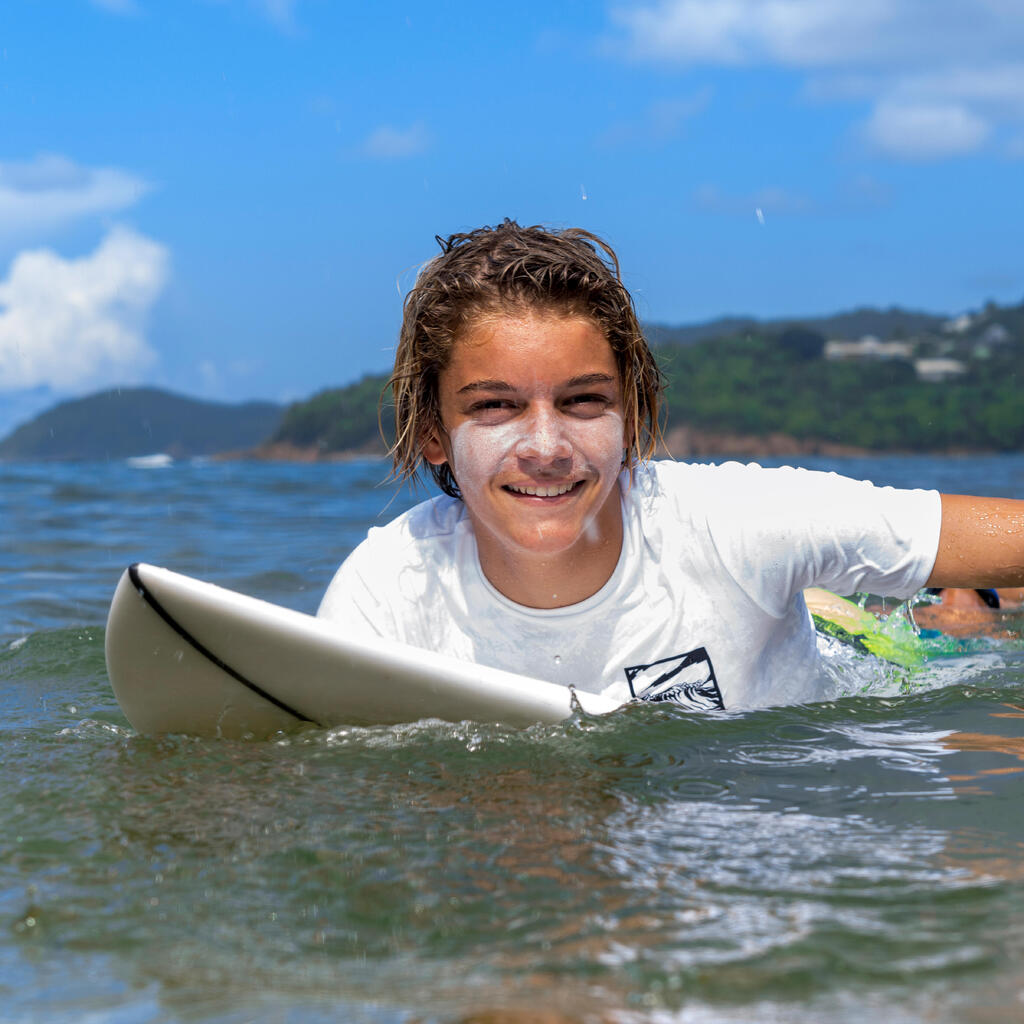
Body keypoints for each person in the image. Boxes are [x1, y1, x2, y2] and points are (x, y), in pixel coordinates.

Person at [318, 220, 1024, 710]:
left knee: (963, 619)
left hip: (859, 662)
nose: (545, 447)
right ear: (435, 434)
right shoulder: (387, 596)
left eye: (583, 401)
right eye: (495, 406)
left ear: (632, 414)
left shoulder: (740, 525)